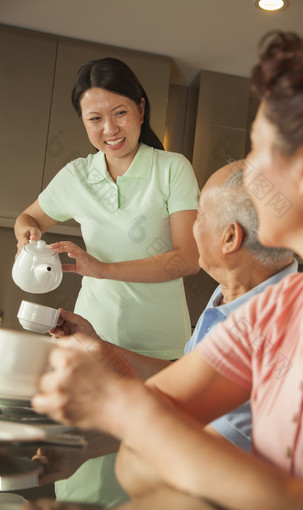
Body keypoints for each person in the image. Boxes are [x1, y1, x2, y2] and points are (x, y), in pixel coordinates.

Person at [29, 24, 303, 509]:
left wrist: (118, 407)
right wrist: (100, 365)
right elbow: (172, 401)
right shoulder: (274, 307)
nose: (247, 172)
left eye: (259, 151)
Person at [29, 160, 295, 502]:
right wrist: (100, 350)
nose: (190, 228)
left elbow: (205, 453)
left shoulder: (273, 330)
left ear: (230, 238)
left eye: (199, 215)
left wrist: (105, 406)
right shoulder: (234, 295)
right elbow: (188, 391)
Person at [14, 57, 199, 506]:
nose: (109, 128)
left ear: (140, 109)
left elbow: (186, 259)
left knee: (153, 470)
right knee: (85, 476)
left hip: (159, 349)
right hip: (90, 341)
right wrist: (28, 236)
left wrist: (99, 268)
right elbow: (30, 215)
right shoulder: (78, 175)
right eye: (94, 118)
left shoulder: (171, 168)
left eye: (119, 113)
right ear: (83, 121)